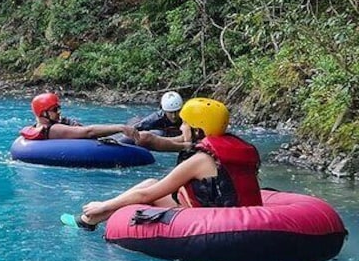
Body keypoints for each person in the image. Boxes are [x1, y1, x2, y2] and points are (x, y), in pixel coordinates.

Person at [60, 97, 262, 230]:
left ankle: (89, 219)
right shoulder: (240, 149)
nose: (181, 126)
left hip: (215, 221)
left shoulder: (200, 160)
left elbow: (147, 195)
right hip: (241, 213)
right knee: (153, 184)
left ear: (197, 128)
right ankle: (90, 220)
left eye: (185, 123)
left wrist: (102, 205)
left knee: (148, 184)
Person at [19, 92, 137, 140]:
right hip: (99, 146)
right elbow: (88, 132)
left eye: (59, 108)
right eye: (55, 109)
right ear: (43, 113)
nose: (59, 112)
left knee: (135, 122)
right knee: (146, 136)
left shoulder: (38, 127)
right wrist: (120, 127)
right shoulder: (54, 129)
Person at [125, 91, 194, 152]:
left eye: (177, 112)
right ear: (164, 110)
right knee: (158, 133)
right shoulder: (155, 119)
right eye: (170, 112)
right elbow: (132, 129)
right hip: (163, 136)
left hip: (176, 135)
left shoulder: (187, 117)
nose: (174, 116)